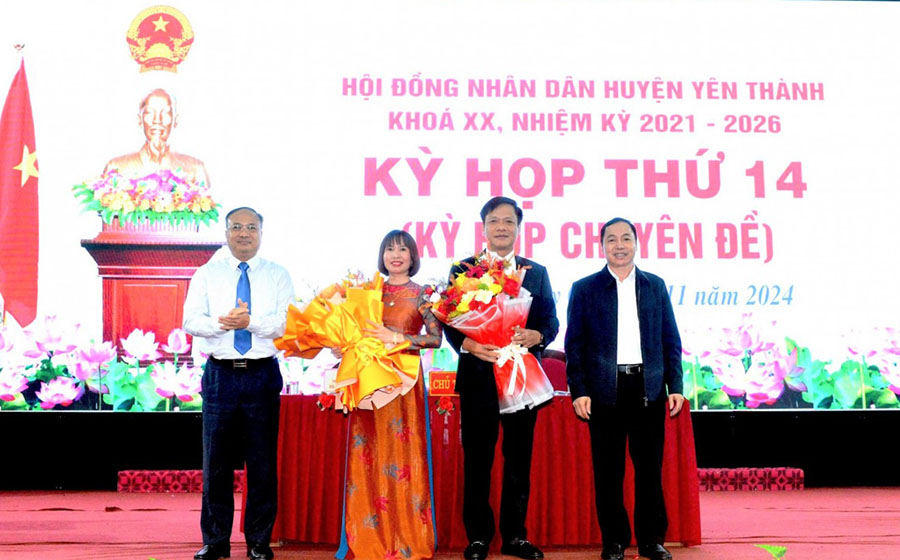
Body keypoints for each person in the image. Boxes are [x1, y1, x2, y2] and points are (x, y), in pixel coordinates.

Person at [444, 197, 559, 560]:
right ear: (484, 227)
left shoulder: (535, 271)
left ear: (518, 227)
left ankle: (515, 536)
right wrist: (468, 344)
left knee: (518, 460)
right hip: (479, 377)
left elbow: (550, 322)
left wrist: (537, 336)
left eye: (509, 222)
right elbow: (449, 320)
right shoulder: (463, 268)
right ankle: (478, 537)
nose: (502, 228)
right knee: (477, 460)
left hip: (521, 378)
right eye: (495, 221)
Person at [564, 217, 685, 560]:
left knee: (649, 470)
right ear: (602, 246)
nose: (619, 245)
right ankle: (614, 540)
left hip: (648, 389)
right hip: (605, 391)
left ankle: (651, 541)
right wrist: (579, 390)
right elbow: (575, 345)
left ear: (636, 243)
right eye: (612, 239)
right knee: (608, 471)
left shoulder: (654, 286)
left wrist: (674, 385)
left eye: (626, 239)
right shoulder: (585, 288)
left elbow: (670, 340)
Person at [183, 207, 294, 560]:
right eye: (236, 228)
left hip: (262, 374)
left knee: (261, 464)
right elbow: (190, 321)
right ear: (226, 232)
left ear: (261, 233)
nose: (243, 233)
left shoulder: (277, 275)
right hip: (220, 376)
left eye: (251, 227)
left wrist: (250, 322)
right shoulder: (206, 274)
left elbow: (284, 324)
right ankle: (215, 542)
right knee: (215, 464)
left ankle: (258, 542)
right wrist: (222, 323)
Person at [335, 229, 442, 560]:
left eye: (403, 249)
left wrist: (398, 337)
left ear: (413, 256)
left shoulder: (424, 294)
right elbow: (352, 330)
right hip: (369, 382)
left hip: (404, 383)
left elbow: (435, 339)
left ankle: (408, 537)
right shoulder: (368, 291)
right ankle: (370, 535)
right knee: (368, 453)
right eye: (389, 249)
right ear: (382, 256)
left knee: (403, 455)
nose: (396, 255)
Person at [104, 88, 210, 187]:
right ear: (140, 120)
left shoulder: (195, 169)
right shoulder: (116, 168)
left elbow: (207, 204)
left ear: (175, 120)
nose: (157, 120)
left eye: (165, 113)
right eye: (150, 112)